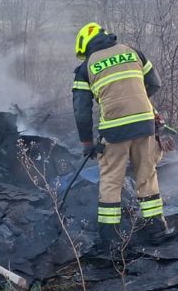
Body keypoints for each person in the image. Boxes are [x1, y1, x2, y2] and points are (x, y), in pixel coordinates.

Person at [72, 22, 170, 253]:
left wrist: (87, 143)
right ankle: (157, 229)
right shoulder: (132, 52)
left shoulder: (85, 68)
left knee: (111, 180)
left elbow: (81, 110)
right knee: (146, 175)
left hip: (115, 131)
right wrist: (136, 101)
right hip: (145, 124)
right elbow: (155, 83)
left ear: (86, 46)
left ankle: (112, 241)